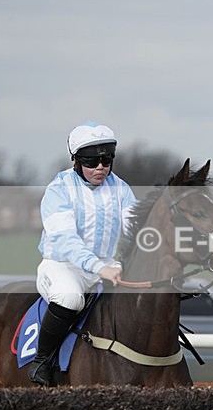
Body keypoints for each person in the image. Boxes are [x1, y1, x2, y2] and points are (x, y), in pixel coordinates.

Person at [30, 121, 138, 386]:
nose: (100, 167)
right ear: (76, 161)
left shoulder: (121, 189)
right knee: (69, 298)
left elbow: (136, 230)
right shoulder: (58, 189)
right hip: (63, 266)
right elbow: (66, 240)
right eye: (92, 160)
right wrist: (98, 267)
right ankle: (41, 361)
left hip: (107, 265)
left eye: (106, 159)